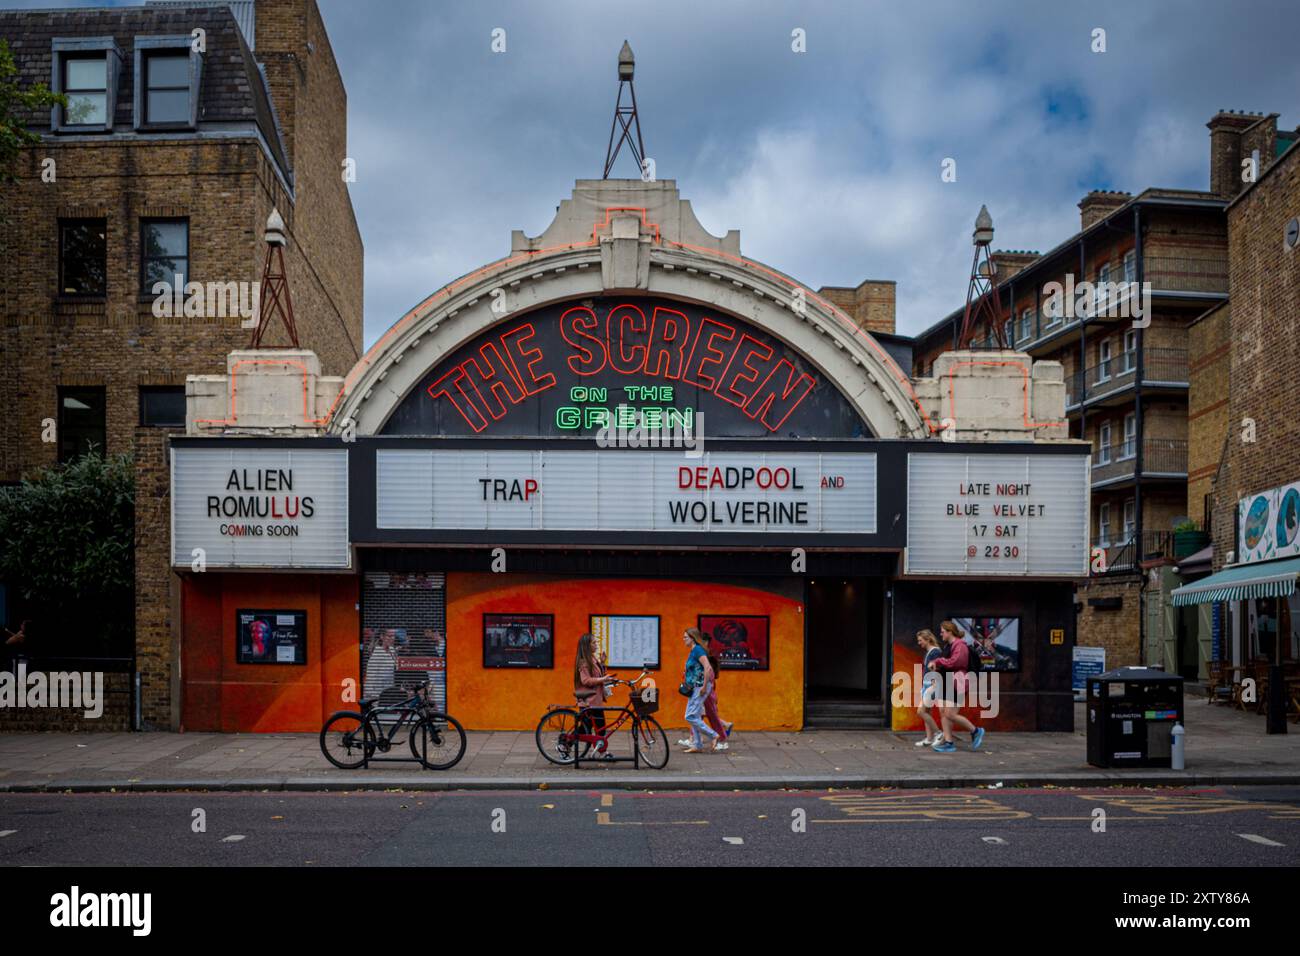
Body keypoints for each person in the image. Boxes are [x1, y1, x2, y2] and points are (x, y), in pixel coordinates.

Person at [928, 619, 985, 753]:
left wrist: (938, 660)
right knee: (944, 713)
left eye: (942, 632)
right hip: (949, 682)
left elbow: (957, 662)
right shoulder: (949, 645)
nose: (941, 634)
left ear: (950, 632)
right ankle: (948, 742)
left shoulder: (960, 645)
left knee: (950, 714)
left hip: (958, 683)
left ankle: (976, 731)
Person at [574, 633, 618, 757]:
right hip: (588, 701)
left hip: (595, 701)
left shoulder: (592, 659)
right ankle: (564, 744)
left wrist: (602, 664)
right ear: (587, 646)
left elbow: (598, 676)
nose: (596, 645)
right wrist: (603, 679)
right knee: (586, 729)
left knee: (598, 727)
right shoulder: (583, 662)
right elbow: (586, 681)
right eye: (594, 643)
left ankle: (602, 751)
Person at [681, 628, 720, 753]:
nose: (683, 639)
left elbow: (707, 667)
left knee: (689, 716)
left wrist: (703, 687)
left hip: (700, 687)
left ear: (692, 638)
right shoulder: (693, 650)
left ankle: (713, 735)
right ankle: (697, 745)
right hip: (694, 687)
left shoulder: (697, 649)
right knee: (695, 715)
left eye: (685, 637)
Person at [700, 633, 734, 750]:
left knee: (708, 714)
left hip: (706, 687)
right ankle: (694, 739)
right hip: (706, 686)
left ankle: (721, 736)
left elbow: (708, 670)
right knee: (698, 714)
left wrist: (704, 687)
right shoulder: (705, 652)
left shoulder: (704, 653)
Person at [913, 629, 944, 748]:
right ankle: (929, 739)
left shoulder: (935, 652)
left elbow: (936, 670)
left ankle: (939, 733)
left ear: (928, 640)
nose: (919, 643)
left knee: (920, 711)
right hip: (927, 685)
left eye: (920, 640)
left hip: (931, 685)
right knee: (927, 712)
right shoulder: (930, 652)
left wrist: (933, 686)